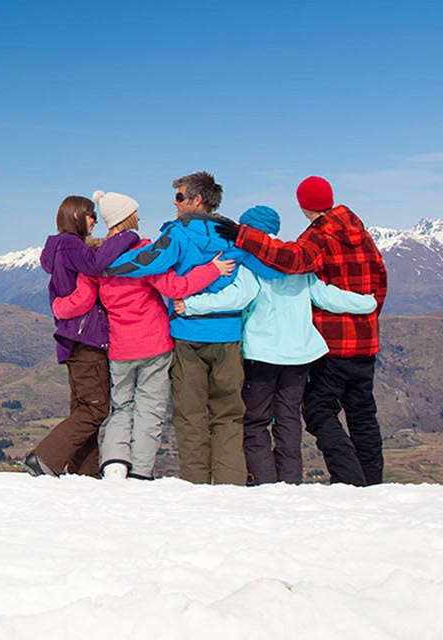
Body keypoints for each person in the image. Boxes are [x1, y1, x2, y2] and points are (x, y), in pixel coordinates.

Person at [103, 171, 282, 485]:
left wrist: (106, 265)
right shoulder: (232, 234)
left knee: (190, 415)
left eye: (180, 197)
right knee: (228, 415)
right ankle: (230, 485)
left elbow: (150, 261)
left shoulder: (179, 234)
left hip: (187, 335)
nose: (175, 203)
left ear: (197, 200)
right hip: (228, 337)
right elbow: (269, 266)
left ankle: (196, 486)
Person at [180, 205, 377, 485]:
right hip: (300, 355)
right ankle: (290, 481)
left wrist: (189, 304)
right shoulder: (296, 261)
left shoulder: (252, 262)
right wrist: (367, 302)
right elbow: (325, 296)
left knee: (256, 419)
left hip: (264, 354)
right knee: (288, 418)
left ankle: (265, 482)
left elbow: (237, 297)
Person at [51, 190, 234, 480]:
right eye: (134, 212)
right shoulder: (145, 256)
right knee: (150, 408)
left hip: (120, 348)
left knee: (122, 407)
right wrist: (212, 270)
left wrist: (59, 307)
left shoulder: (97, 260)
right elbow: (175, 287)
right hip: (154, 345)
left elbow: (84, 297)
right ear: (126, 217)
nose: (139, 216)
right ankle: (140, 472)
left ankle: (114, 464)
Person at [23, 195, 132, 477]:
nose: (95, 220)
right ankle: (45, 457)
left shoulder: (58, 249)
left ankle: (85, 471)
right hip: (88, 340)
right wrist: (125, 237)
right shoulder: (71, 243)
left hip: (73, 340)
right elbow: (95, 264)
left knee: (84, 407)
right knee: (96, 409)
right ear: (75, 216)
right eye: (90, 214)